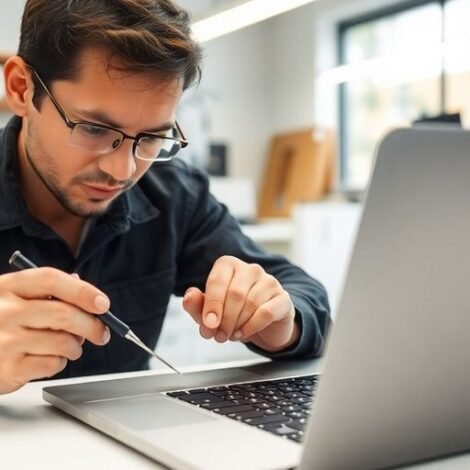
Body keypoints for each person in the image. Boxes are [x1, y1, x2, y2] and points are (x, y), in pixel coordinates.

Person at [0, 0, 330, 395]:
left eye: (153, 138)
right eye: (93, 129)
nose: (122, 172)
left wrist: (280, 322)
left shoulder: (175, 196)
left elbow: (301, 291)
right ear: (21, 88)